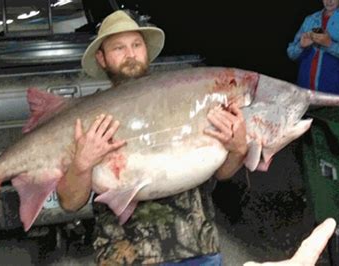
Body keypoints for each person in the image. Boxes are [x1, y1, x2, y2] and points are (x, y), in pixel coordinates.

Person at [56, 10, 248, 265]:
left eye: (137, 45)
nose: (131, 54)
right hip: (125, 255)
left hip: (198, 248)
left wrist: (238, 149)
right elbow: (70, 203)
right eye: (118, 48)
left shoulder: (185, 98)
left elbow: (221, 173)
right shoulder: (92, 120)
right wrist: (81, 164)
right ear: (101, 59)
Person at [287, 0, 339, 96]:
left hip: (338, 91)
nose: (329, 1)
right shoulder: (310, 19)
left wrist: (330, 45)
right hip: (306, 89)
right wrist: (301, 46)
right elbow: (291, 53)